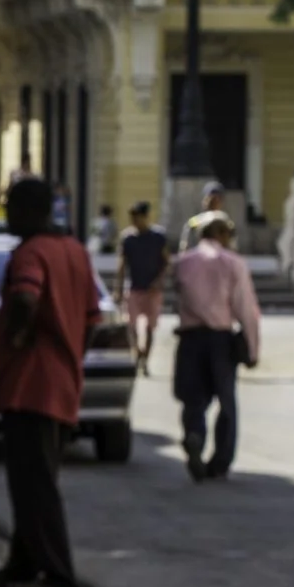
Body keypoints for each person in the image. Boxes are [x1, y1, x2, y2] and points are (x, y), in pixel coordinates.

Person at [0, 168, 100, 587]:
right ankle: (22, 564)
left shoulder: (30, 254)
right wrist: (71, 359)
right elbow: (91, 320)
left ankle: (60, 577)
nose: (6, 216)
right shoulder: (76, 252)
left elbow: (27, 296)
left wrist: (16, 335)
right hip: (62, 382)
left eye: (11, 208)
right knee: (32, 479)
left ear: (31, 212)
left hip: (31, 385)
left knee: (35, 484)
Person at [171, 210, 261, 480]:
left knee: (193, 399)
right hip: (220, 340)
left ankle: (195, 435)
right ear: (222, 235)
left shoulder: (183, 263)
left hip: (190, 338)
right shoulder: (233, 263)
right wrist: (253, 349)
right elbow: (246, 309)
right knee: (226, 402)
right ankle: (220, 461)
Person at [116, 199, 170, 374]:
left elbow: (166, 262)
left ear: (146, 217)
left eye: (137, 218)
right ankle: (137, 351)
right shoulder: (128, 238)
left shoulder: (158, 237)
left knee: (150, 327)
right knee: (130, 325)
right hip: (134, 287)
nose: (134, 222)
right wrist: (117, 288)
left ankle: (145, 359)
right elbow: (122, 265)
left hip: (152, 289)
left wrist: (159, 281)